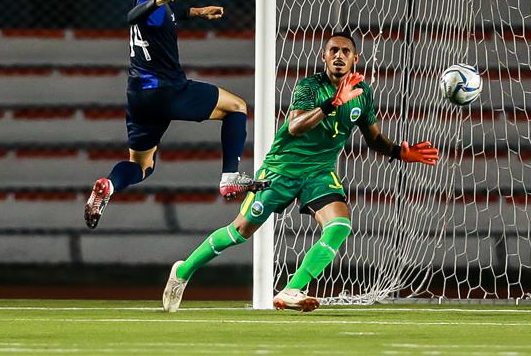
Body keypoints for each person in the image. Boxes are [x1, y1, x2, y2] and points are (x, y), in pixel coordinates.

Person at [161, 31, 440, 312]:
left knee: (339, 226)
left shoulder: (362, 94)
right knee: (240, 231)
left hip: (319, 172)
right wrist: (333, 103)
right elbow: (295, 126)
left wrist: (399, 152)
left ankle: (292, 288)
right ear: (324, 57)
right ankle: (183, 271)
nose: (339, 56)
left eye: (345, 51)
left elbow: (373, 137)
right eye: (333, 51)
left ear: (356, 58)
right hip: (281, 169)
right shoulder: (309, 88)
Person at [84, 0, 266, 229]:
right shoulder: (153, 2)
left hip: (138, 97)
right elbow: (134, 17)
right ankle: (230, 178)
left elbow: (160, 17)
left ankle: (109, 184)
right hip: (167, 91)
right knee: (237, 107)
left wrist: (194, 12)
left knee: (143, 166)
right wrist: (160, 1)